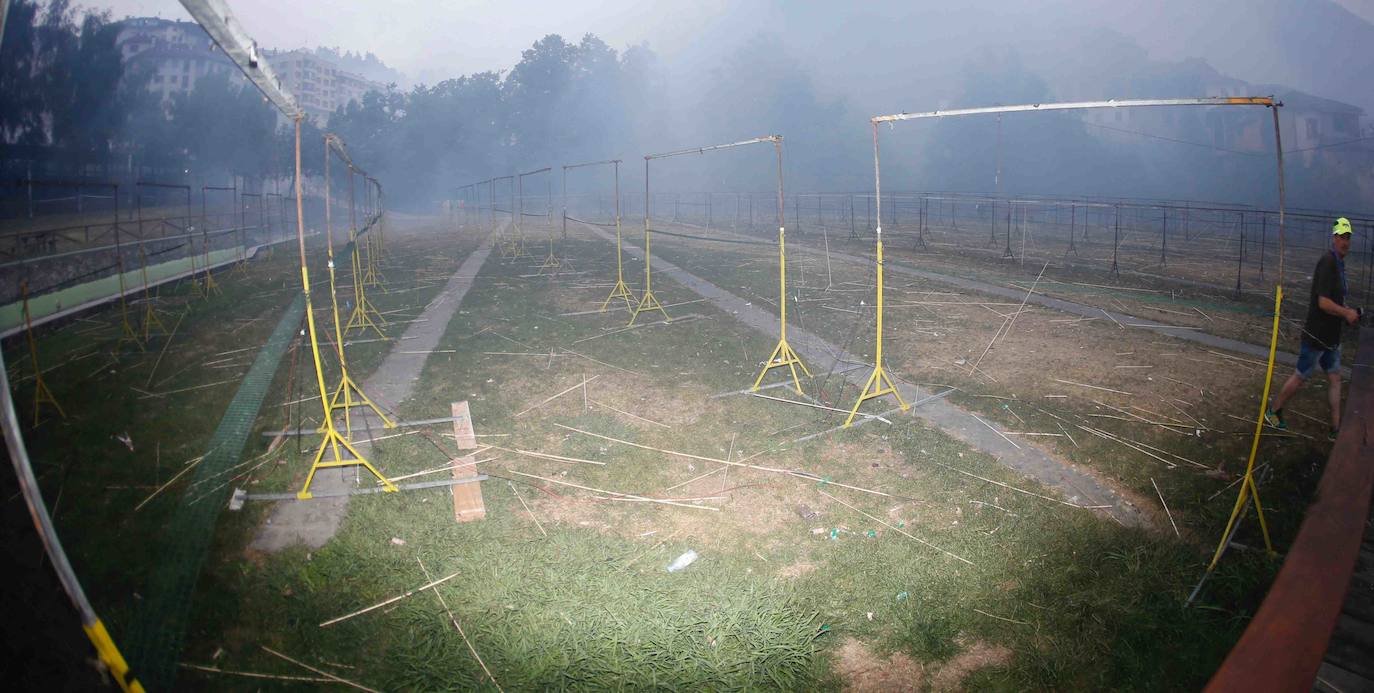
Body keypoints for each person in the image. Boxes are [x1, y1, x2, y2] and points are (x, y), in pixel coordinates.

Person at [1265, 217, 1361, 441]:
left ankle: (1336, 428)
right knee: (1300, 376)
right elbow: (1323, 302)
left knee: (1335, 378)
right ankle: (1274, 411)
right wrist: (1346, 313)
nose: (1345, 242)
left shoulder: (1339, 263)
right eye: (1341, 237)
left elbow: (1333, 299)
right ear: (1334, 238)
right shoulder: (1327, 262)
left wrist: (1346, 310)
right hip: (1317, 335)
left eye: (1348, 237)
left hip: (1331, 336)